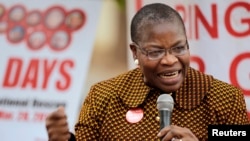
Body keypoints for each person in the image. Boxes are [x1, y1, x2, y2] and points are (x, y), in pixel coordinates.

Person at [45, 3, 250, 141]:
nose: (170, 60)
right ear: (135, 51)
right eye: (156, 52)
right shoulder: (103, 98)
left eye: (179, 48)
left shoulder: (224, 99)